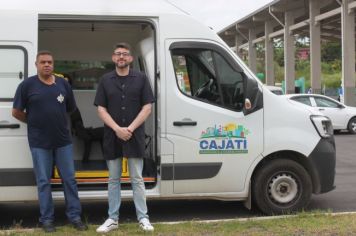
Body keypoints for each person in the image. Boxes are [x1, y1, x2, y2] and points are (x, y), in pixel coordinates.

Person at [12, 51, 87, 233]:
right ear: (36, 64)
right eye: (43, 62)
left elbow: (70, 109)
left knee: (69, 180)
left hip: (63, 141)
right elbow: (16, 112)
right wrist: (35, 121)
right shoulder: (27, 85)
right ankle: (47, 220)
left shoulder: (63, 84)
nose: (47, 65)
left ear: (53, 65)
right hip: (39, 142)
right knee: (44, 181)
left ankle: (75, 217)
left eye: (50, 62)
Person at [94, 42, 155, 233]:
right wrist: (117, 129)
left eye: (125, 54)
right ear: (113, 58)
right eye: (118, 53)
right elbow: (101, 109)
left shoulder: (142, 79)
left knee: (137, 178)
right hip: (112, 137)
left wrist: (129, 128)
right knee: (114, 179)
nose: (121, 57)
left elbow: (147, 107)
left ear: (130, 58)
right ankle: (112, 219)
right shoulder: (105, 80)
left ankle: (143, 218)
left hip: (134, 135)